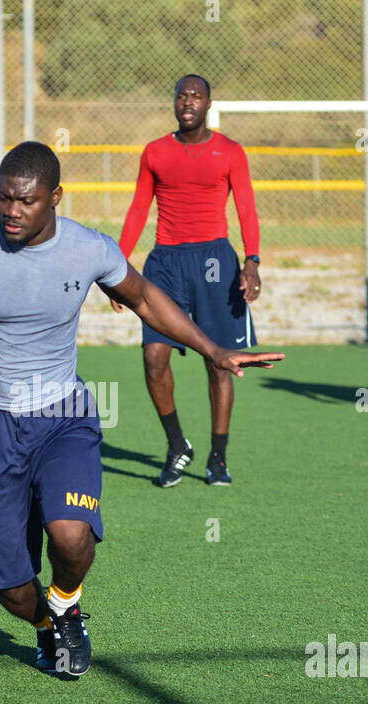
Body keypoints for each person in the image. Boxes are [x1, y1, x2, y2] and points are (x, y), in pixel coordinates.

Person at [0, 142, 283, 676]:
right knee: (10, 590)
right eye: (4, 198)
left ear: (55, 197)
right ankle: (45, 626)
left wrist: (213, 348)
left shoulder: (88, 248)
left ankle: (67, 602)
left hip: (63, 416)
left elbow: (145, 298)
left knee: (71, 534)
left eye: (25, 201)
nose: (11, 211)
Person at [115, 74, 263, 487]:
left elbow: (247, 209)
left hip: (216, 260)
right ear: (174, 103)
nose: (188, 102)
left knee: (218, 362)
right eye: (181, 95)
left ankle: (218, 457)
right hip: (165, 264)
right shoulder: (155, 152)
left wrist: (252, 260)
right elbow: (138, 208)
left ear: (208, 104)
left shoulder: (230, 151)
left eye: (196, 96)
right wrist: (118, 265)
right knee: (153, 357)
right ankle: (177, 445)